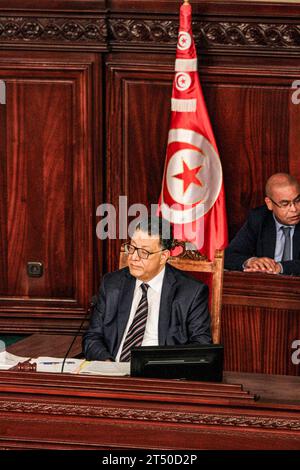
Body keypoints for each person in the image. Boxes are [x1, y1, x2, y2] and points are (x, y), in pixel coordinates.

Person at [83, 216, 211, 361]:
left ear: (163, 256)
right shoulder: (112, 284)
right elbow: (92, 337)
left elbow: (201, 347)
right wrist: (108, 364)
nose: (133, 258)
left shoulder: (191, 292)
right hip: (113, 373)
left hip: (160, 377)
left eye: (144, 252)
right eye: (131, 248)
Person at [225, 173, 300, 275]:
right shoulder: (259, 219)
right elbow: (229, 256)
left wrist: (280, 268)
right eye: (285, 204)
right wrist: (250, 261)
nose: (294, 209)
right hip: (265, 287)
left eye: (297, 201)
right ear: (269, 203)